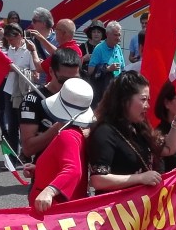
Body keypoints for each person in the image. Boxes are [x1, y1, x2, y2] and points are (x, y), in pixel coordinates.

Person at [28, 78, 96, 212]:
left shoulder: (67, 135)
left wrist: (49, 191)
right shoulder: (76, 133)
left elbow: (73, 170)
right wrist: (39, 169)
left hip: (53, 212)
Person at [88, 71, 160, 194]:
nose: (147, 105)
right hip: (117, 205)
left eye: (148, 100)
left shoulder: (139, 127)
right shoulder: (105, 132)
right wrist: (140, 178)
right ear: (124, 100)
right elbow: (98, 180)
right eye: (143, 99)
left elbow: (167, 148)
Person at [20, 47, 82, 160]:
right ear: (51, 72)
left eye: (74, 80)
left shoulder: (83, 95)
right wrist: (58, 127)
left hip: (76, 165)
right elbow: (27, 149)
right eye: (63, 80)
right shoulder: (33, 100)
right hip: (47, 166)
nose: (69, 85)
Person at [1, 23, 41, 151]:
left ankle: (26, 153)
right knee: (12, 125)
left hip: (24, 92)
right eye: (7, 40)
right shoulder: (8, 49)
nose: (10, 42)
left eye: (11, 39)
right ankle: (13, 155)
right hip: (9, 90)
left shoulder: (29, 49)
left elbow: (36, 73)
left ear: (19, 36)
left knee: (25, 125)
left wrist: (18, 70)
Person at [87, 20, 124, 105]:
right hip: (102, 95)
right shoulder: (99, 48)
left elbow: (122, 68)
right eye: (115, 35)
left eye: (119, 35)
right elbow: (90, 71)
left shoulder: (118, 48)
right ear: (107, 34)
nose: (118, 38)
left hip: (115, 92)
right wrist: (107, 69)